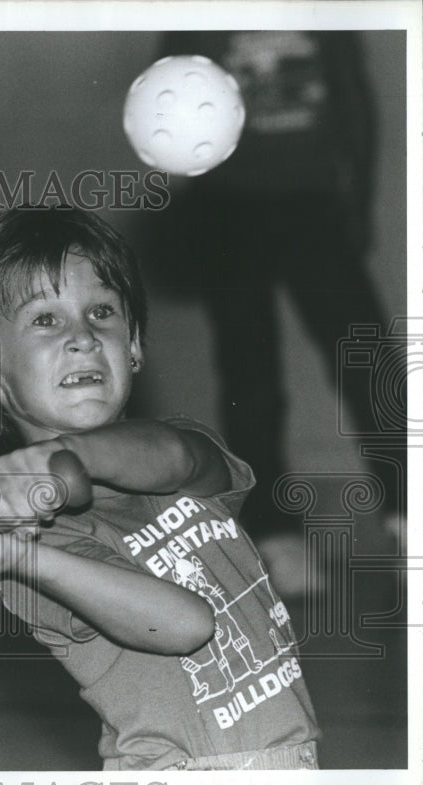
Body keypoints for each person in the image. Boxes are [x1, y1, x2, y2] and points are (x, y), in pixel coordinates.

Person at [0, 206, 320, 771]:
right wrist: (11, 553)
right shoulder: (42, 552)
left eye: (101, 312)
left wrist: (69, 457)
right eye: (44, 319)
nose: (83, 337)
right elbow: (186, 624)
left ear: (134, 342)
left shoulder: (178, 450)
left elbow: (180, 456)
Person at [150, 32, 404, 583]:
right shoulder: (197, 22)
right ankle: (274, 534)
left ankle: (407, 513)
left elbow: (352, 99)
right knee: (250, 374)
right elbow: (166, 101)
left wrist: (356, 205)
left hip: (312, 205)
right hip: (228, 211)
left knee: (367, 359)